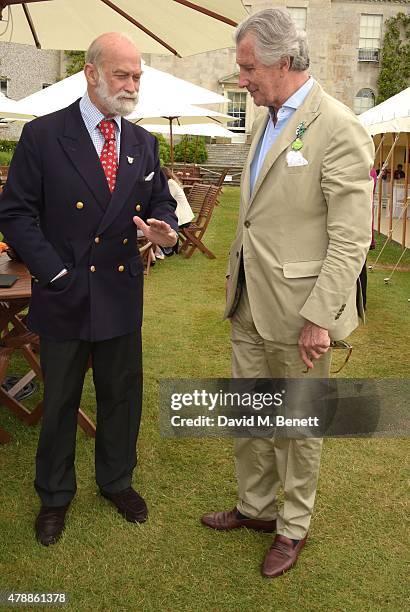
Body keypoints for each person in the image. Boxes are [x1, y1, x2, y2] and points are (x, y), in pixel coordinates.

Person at [201, 9, 373, 578]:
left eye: (248, 67)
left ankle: (292, 526)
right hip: (249, 299)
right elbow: (254, 216)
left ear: (282, 61)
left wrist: (321, 316)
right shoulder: (265, 120)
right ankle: (254, 508)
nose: (242, 77)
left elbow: (352, 238)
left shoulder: (340, 125)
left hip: (303, 313)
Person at [0, 32, 178, 546]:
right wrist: (54, 271)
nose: (132, 85)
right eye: (122, 75)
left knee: (122, 396)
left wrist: (164, 227)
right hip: (65, 293)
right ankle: (54, 495)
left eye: (137, 76)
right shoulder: (44, 135)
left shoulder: (143, 142)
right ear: (91, 73)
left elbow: (161, 201)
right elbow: (14, 211)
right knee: (59, 400)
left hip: (121, 293)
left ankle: (116, 481)